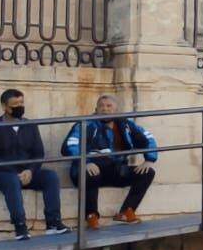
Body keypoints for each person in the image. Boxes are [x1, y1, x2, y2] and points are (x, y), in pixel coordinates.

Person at [62, 95, 159, 228]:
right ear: (96, 109)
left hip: (115, 170)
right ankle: (91, 216)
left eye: (109, 106)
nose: (105, 109)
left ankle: (126, 212)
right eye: (101, 106)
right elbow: (70, 145)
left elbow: (148, 138)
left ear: (116, 110)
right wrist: (85, 162)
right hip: (87, 170)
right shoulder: (85, 124)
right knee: (91, 172)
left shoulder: (126, 125)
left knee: (148, 172)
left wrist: (149, 159)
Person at [0, 89, 65, 241]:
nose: (19, 106)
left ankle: (53, 223)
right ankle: (20, 226)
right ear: (4, 107)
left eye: (21, 102)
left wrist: (31, 170)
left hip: (26, 173)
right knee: (12, 181)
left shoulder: (30, 125)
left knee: (50, 177)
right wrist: (15, 173)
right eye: (15, 104)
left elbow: (38, 153)